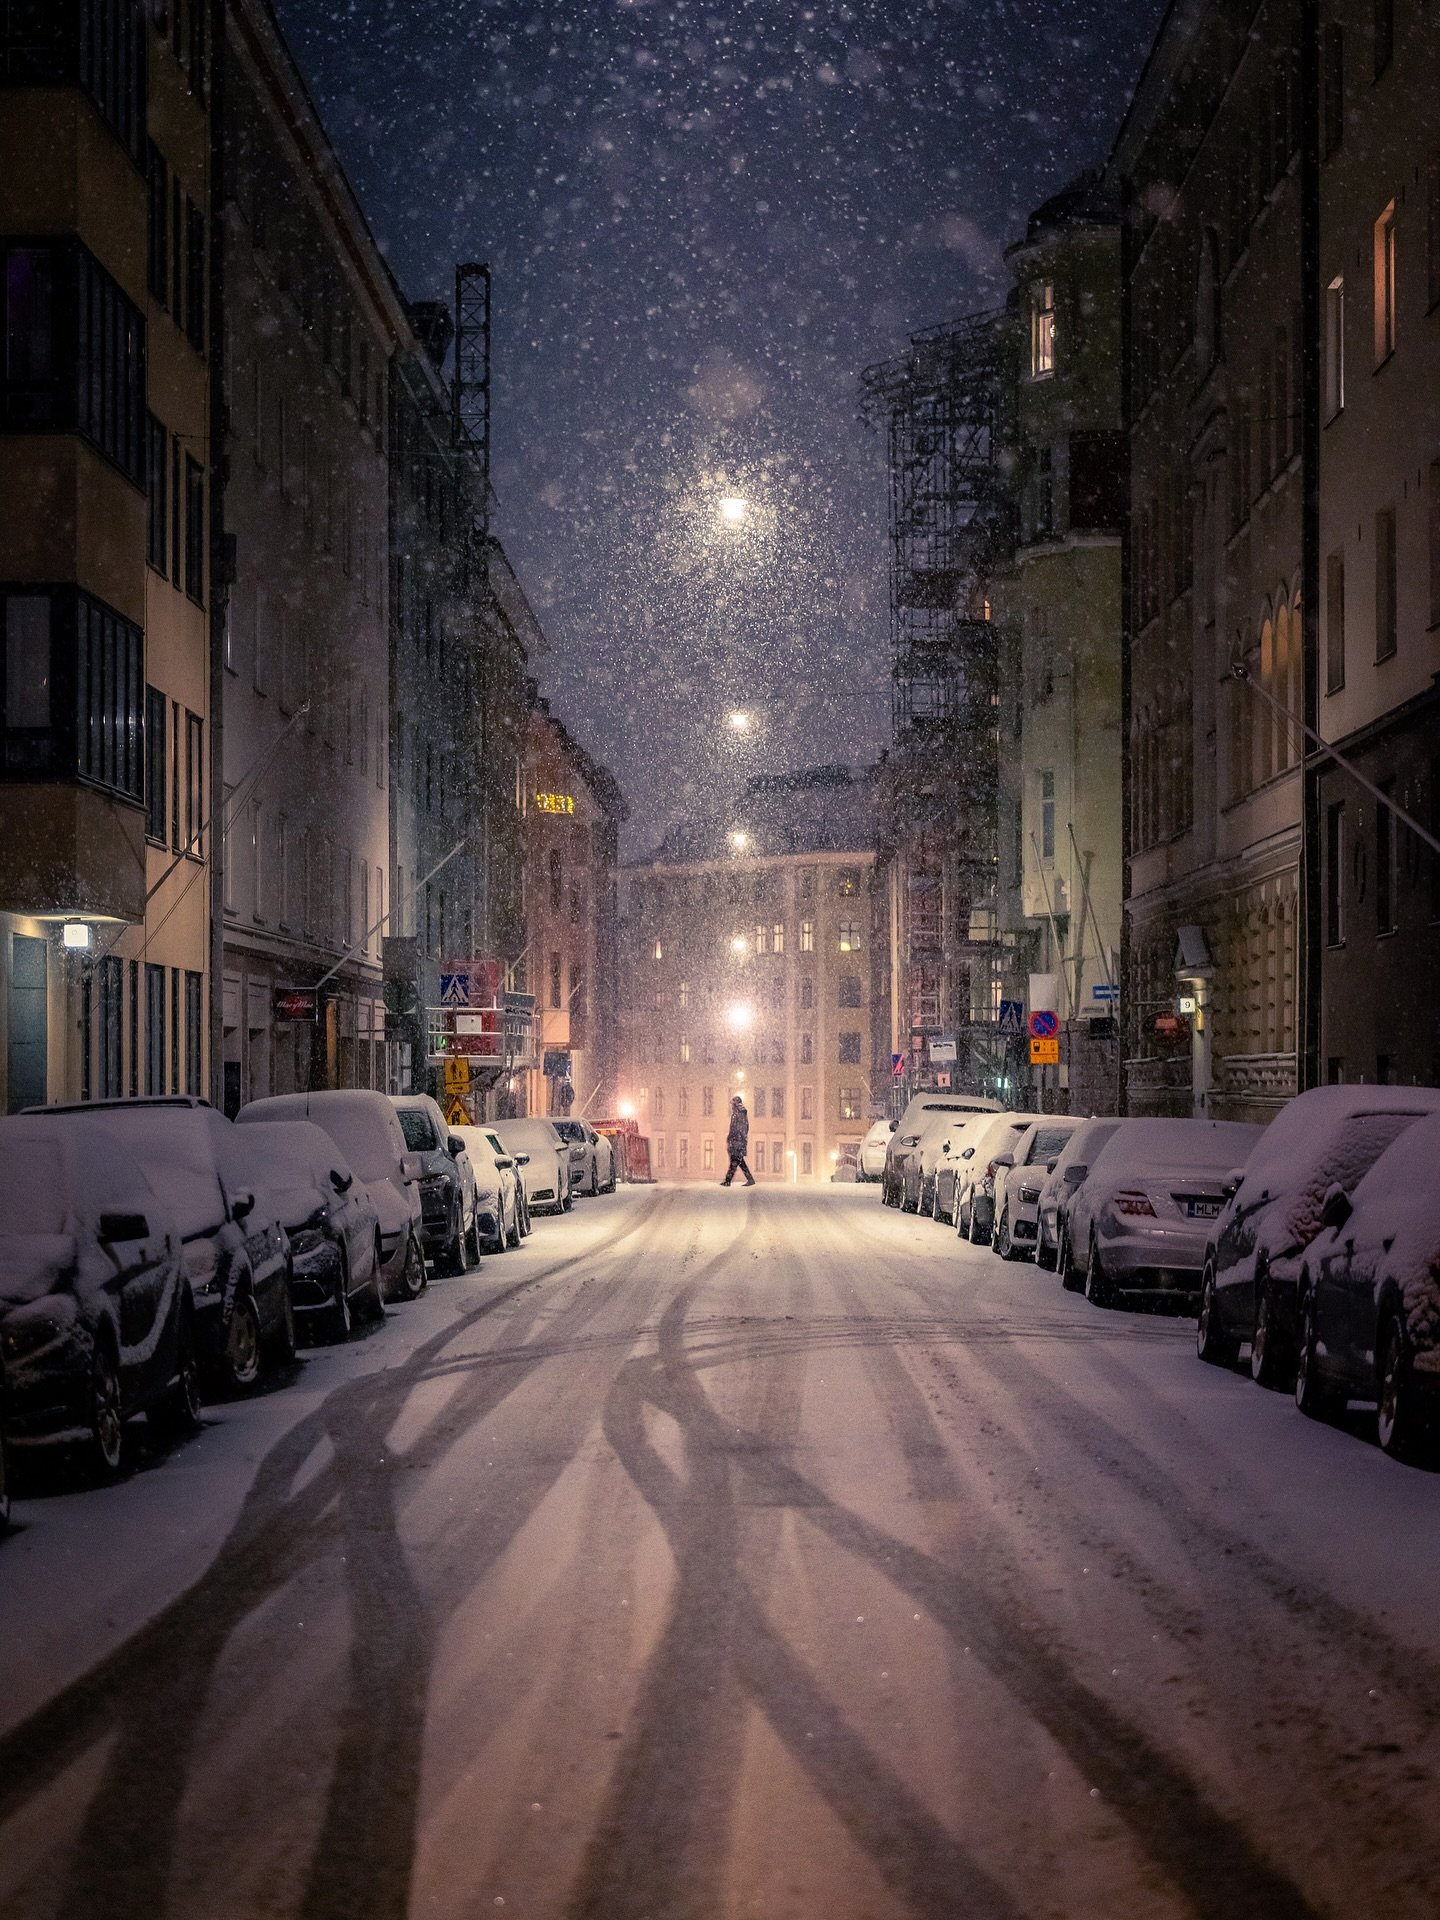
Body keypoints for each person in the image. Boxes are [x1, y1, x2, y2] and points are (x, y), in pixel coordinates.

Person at [722, 1094, 756, 1187]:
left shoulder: (739, 1113)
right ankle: (749, 1179)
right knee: (739, 1161)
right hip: (737, 1141)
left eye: (732, 1104)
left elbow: (740, 1128)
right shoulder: (738, 1113)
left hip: (737, 1141)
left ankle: (728, 1181)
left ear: (735, 1104)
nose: (731, 1106)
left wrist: (733, 1137)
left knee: (735, 1160)